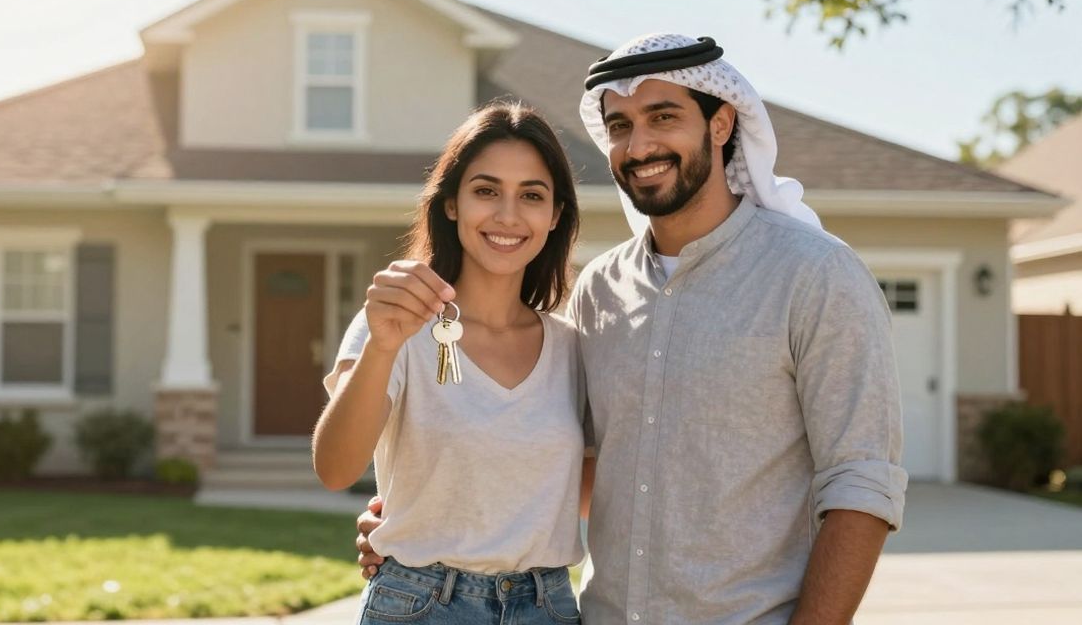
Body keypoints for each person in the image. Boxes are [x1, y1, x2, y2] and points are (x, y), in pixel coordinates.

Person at [356, 34, 908, 625]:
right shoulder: (598, 290)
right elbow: (585, 465)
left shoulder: (815, 274)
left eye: (663, 117)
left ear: (721, 125)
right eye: (619, 125)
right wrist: (421, 522)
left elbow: (862, 483)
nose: (639, 145)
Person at [313, 100, 594, 625]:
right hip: (422, 604)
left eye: (531, 195)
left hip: (547, 606)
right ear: (451, 204)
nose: (508, 215)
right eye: (486, 191)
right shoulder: (395, 325)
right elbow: (335, 468)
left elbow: (595, 496)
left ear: (555, 215)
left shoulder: (574, 349)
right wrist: (382, 345)